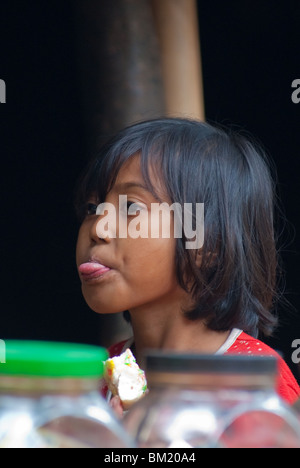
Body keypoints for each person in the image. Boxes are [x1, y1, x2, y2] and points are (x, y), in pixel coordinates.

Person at [75, 117, 300, 410]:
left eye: (131, 207)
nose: (97, 229)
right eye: (93, 208)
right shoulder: (92, 381)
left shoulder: (257, 385)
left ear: (206, 243)